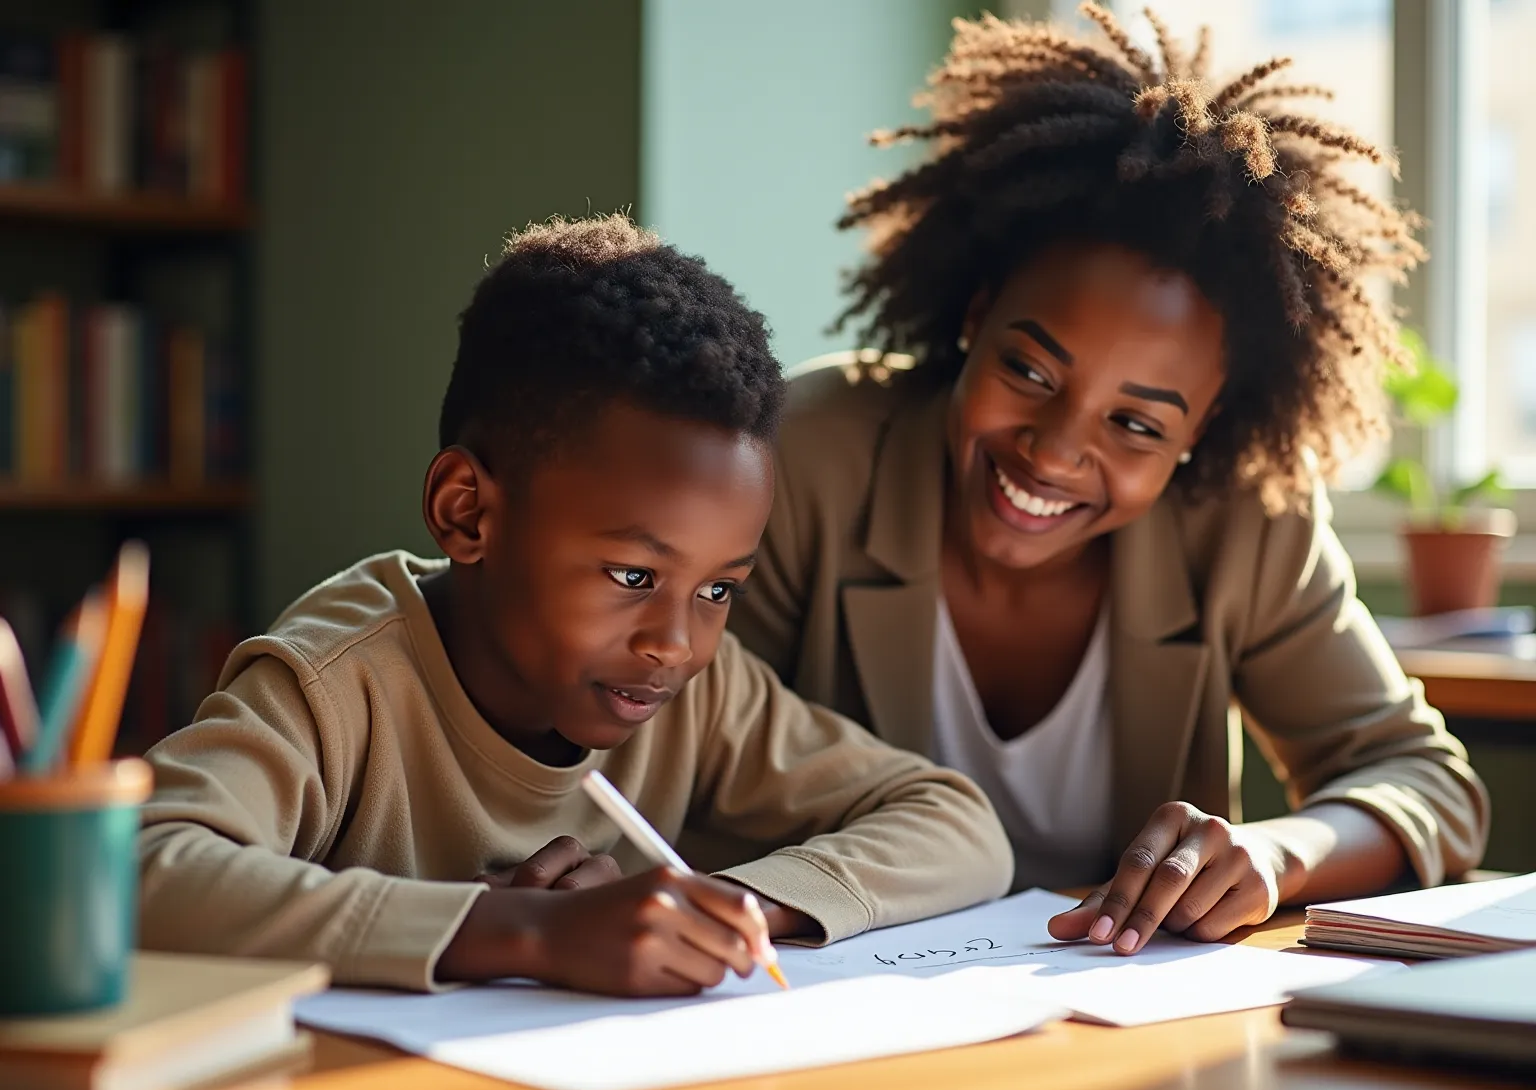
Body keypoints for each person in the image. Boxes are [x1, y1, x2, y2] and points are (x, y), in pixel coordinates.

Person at [728, 4, 1489, 958]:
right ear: (975, 317)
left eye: (1135, 423)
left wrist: (1274, 855)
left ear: (1201, 428)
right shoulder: (810, 454)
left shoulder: (1247, 518)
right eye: (1030, 373)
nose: (1051, 453)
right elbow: (678, 754)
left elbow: (1423, 781)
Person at [137, 214, 1012, 996]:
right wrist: (527, 933)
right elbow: (145, 870)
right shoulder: (338, 683)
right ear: (467, 512)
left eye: (719, 589)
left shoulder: (696, 695)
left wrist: (715, 910)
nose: (676, 642)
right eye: (633, 576)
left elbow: (959, 824)